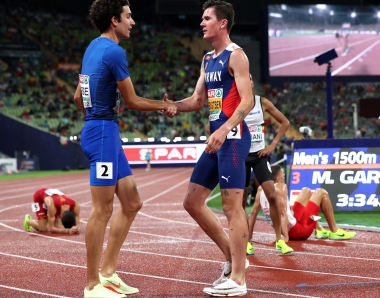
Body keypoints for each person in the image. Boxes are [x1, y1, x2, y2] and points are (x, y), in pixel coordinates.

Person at [73, 1, 176, 296]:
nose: (132, 22)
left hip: (104, 132)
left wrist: (96, 116)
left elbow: (77, 96)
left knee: (132, 203)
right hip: (104, 134)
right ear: (114, 19)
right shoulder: (115, 51)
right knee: (102, 209)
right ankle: (92, 285)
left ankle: (107, 273)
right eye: (128, 17)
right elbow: (132, 101)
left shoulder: (92, 48)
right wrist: (164, 105)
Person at [174, 1, 254, 296]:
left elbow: (247, 101)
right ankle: (233, 261)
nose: (201, 23)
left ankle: (239, 279)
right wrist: (168, 106)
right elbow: (196, 101)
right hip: (216, 140)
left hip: (232, 139)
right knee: (192, 201)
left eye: (207, 18)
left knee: (233, 207)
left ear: (222, 24)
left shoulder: (237, 56)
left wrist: (223, 129)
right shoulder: (208, 59)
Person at [240, 74, 293, 256]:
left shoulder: (261, 102)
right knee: (241, 201)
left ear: (253, 83)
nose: (247, 82)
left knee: (272, 195)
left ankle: (280, 239)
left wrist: (272, 145)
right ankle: (246, 241)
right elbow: (212, 126)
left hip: (260, 155)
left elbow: (285, 122)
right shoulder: (233, 103)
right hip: (241, 157)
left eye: (250, 79)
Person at [259, 165, 356, 243]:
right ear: (278, 179)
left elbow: (255, 212)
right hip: (298, 232)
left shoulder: (261, 190)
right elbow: (283, 213)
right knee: (322, 192)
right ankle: (335, 231)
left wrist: (248, 239)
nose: (285, 177)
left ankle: (319, 229)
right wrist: (285, 237)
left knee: (306, 191)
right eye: (283, 176)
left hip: (290, 224)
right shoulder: (281, 188)